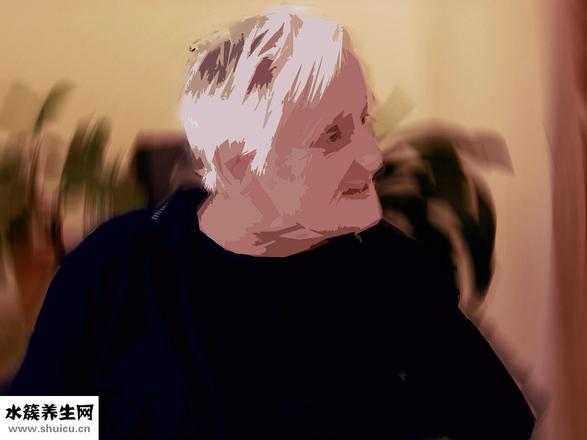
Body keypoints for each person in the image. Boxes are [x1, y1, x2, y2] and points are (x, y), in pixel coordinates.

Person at [7, 6, 535, 439]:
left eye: (364, 120)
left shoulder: (389, 271)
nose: (373, 156)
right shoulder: (118, 265)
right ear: (239, 165)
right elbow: (33, 422)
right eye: (333, 136)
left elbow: (498, 419)